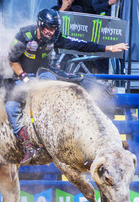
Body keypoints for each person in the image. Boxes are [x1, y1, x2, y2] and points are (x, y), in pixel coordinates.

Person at [7, 8, 128, 165]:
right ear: (40, 25)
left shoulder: (56, 37)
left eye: (54, 28)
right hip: (23, 74)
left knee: (64, 88)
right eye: (48, 28)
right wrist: (24, 78)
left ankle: (70, 131)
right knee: (11, 106)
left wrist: (108, 48)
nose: (51, 32)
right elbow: (12, 60)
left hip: (44, 73)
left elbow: (80, 45)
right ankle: (27, 144)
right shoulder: (24, 36)